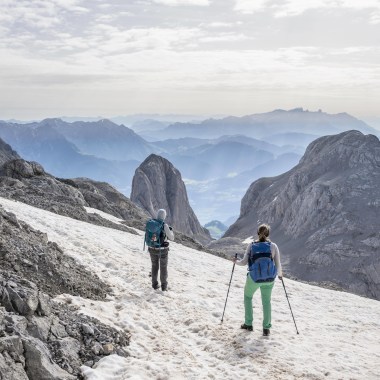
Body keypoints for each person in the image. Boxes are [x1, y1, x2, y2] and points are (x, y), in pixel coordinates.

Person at [233, 223, 282, 336]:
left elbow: (244, 262)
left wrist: (236, 261)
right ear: (268, 234)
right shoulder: (273, 246)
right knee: (266, 301)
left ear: (257, 233)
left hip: (254, 278)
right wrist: (280, 275)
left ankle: (248, 324)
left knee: (248, 297)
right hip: (269, 279)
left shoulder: (251, 245)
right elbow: (278, 264)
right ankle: (266, 328)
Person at [148, 209, 174, 291]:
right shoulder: (164, 225)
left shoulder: (151, 223)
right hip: (162, 250)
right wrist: (170, 231)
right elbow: (172, 238)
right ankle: (164, 286)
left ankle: (154, 285)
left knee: (154, 266)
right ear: (164, 216)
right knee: (163, 267)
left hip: (151, 248)